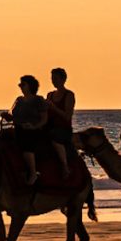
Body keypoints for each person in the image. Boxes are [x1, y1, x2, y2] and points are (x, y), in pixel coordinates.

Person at [49, 67, 93, 215]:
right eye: (52, 77)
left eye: (55, 77)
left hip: (63, 130)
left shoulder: (69, 95)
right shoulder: (49, 95)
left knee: (54, 140)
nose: (53, 80)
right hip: (50, 127)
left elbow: (67, 116)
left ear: (62, 79)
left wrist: (53, 108)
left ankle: (64, 166)